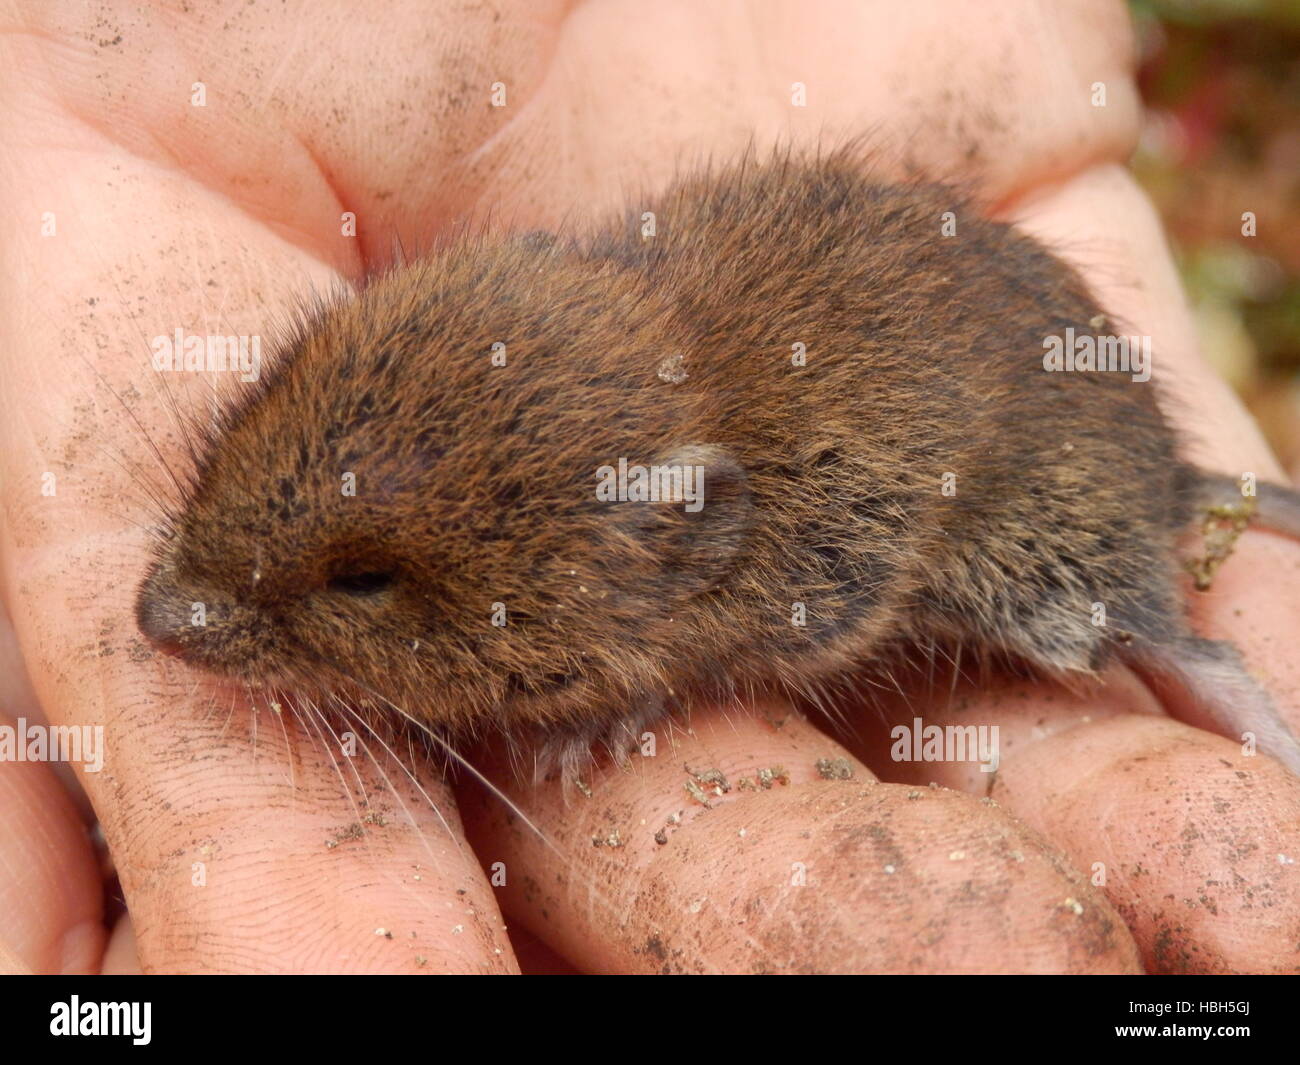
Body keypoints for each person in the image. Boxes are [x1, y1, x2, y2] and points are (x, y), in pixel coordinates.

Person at [1, 0, 1297, 974]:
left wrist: (655, 680)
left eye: (363, 579)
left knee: (1074, 611)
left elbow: (844, 587)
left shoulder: (722, 531)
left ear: (675, 548)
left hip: (1054, 457)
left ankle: (1196, 660)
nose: (173, 617)